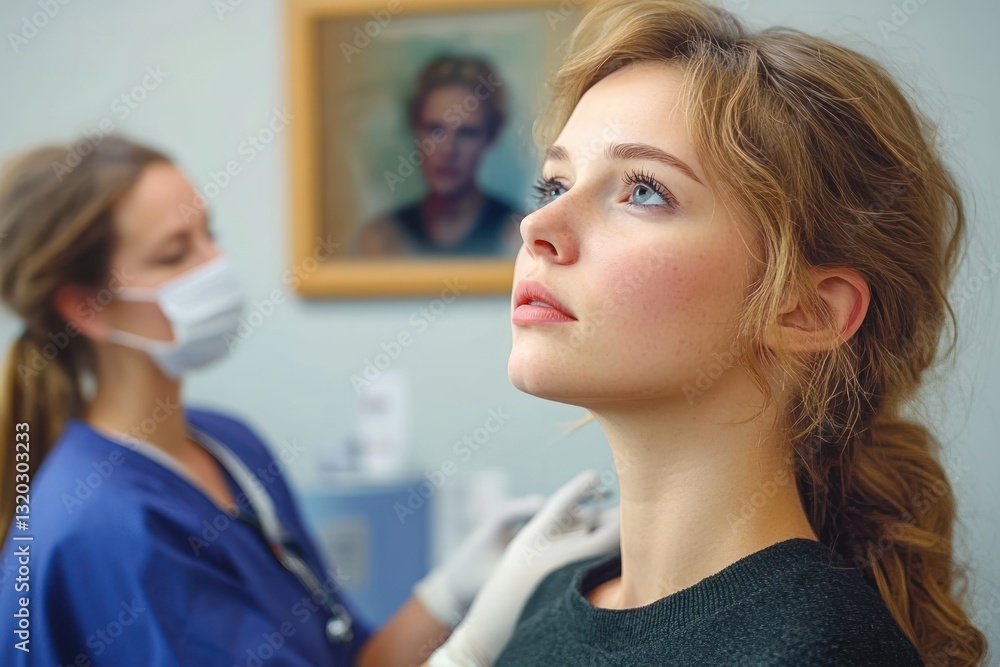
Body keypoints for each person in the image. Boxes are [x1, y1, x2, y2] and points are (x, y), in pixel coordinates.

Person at [428, 1, 989, 665]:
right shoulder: (545, 603)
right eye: (553, 185)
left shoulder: (818, 650)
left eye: (644, 190)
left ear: (806, 311)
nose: (536, 227)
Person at [0, 136, 619, 666]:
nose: (215, 264)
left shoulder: (226, 443)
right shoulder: (106, 531)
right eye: (174, 253)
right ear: (86, 307)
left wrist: (453, 588)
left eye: (208, 234)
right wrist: (476, 646)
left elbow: (345, 659)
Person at [356, 55, 523, 258]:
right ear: (415, 129)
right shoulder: (382, 239)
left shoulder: (519, 235)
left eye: (467, 133)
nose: (448, 150)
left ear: (492, 135)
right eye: (435, 130)